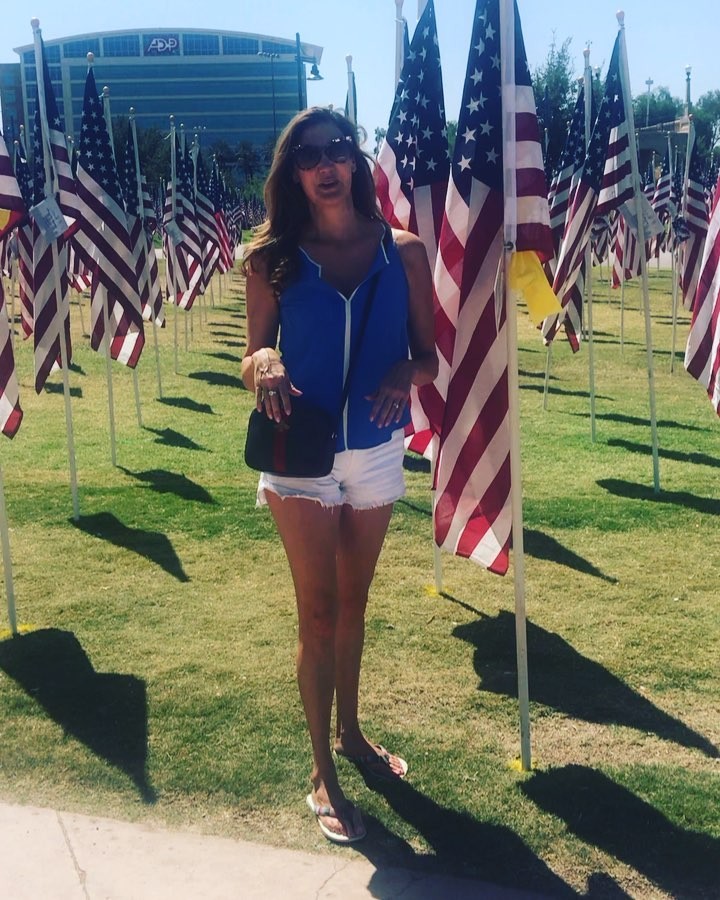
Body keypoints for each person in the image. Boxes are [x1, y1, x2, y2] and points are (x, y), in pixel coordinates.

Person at [240, 107, 437, 844]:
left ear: (355, 162)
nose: (325, 164)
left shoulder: (403, 252)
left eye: (338, 150)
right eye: (308, 155)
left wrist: (404, 372)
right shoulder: (272, 260)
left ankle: (352, 733)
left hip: (377, 451)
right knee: (317, 613)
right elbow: (252, 358)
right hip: (301, 458)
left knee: (354, 605)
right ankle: (321, 771)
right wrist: (263, 361)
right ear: (292, 173)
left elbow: (430, 357)